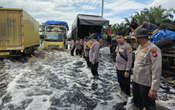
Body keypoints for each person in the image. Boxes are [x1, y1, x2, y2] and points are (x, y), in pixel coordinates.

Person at [133, 28, 162, 110]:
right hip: (136, 81)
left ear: (141, 38)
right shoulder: (139, 47)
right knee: (138, 103)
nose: (135, 39)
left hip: (146, 84)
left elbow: (157, 69)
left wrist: (153, 88)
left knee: (149, 106)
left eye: (136, 37)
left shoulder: (153, 49)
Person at [115, 32, 133, 97]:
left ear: (123, 38)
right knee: (120, 83)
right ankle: (123, 97)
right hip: (118, 68)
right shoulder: (118, 45)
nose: (118, 39)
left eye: (120, 38)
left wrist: (127, 70)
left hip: (124, 69)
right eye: (117, 38)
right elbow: (117, 55)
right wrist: (116, 65)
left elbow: (130, 59)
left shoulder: (127, 46)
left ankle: (128, 99)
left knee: (126, 85)